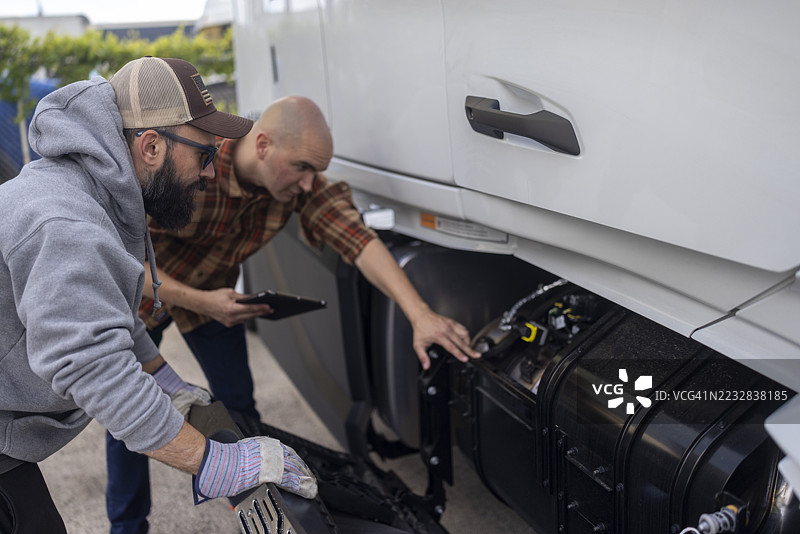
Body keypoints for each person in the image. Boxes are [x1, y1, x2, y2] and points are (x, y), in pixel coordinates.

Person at [104, 95, 482, 533]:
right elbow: (122, 260)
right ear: (262, 145)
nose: (308, 183)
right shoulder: (195, 162)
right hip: (147, 292)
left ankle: (257, 513)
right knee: (128, 412)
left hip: (215, 298)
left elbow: (357, 239)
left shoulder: (298, 185)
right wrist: (203, 301)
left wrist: (420, 314)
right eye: (302, 167)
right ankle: (127, 527)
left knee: (238, 408)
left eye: (315, 172)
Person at [0, 57, 318, 534]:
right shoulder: (66, 225)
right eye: (205, 155)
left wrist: (165, 380)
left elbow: (107, 308)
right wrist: (212, 462)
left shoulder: (96, 195)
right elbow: (91, 365)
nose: (210, 173)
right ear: (151, 146)